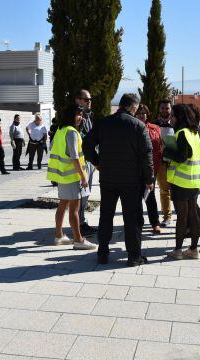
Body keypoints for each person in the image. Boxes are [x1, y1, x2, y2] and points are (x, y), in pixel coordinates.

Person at [84, 93, 154, 267]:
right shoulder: (138, 126)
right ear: (133, 107)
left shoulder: (103, 123)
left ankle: (103, 253)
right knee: (132, 218)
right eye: (137, 108)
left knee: (106, 216)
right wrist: (149, 178)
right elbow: (147, 155)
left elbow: (86, 145)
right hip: (132, 181)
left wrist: (97, 162)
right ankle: (134, 256)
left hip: (108, 179)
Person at [47, 103, 97, 250]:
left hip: (63, 175)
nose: (80, 117)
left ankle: (59, 236)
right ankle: (78, 240)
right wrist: (83, 177)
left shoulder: (61, 130)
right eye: (77, 114)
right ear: (70, 115)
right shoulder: (72, 132)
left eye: (81, 114)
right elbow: (75, 157)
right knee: (74, 210)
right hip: (73, 176)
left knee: (62, 206)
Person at [164, 104, 200, 259]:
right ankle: (193, 249)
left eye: (172, 115)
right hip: (194, 181)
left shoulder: (181, 133)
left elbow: (182, 156)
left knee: (182, 217)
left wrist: (166, 149)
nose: (170, 118)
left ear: (179, 118)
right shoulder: (194, 133)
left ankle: (178, 250)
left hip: (181, 182)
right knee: (193, 215)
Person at [135, 104, 163, 234]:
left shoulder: (155, 128)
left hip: (151, 168)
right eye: (139, 113)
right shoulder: (132, 127)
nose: (142, 115)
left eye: (144, 113)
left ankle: (155, 223)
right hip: (135, 168)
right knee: (136, 197)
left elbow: (159, 148)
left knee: (150, 197)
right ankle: (138, 223)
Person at [75, 89, 97, 235]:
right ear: (78, 100)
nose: (90, 102)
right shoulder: (76, 118)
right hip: (81, 162)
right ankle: (79, 224)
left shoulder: (89, 116)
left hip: (89, 161)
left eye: (90, 99)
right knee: (80, 194)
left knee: (85, 194)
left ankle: (82, 221)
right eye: (86, 99)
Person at [153, 99, 175, 227]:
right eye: (162, 108)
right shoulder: (154, 125)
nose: (165, 110)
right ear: (159, 109)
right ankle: (167, 216)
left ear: (170, 109)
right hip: (160, 162)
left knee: (175, 190)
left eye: (167, 108)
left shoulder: (175, 124)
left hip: (174, 162)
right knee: (164, 190)